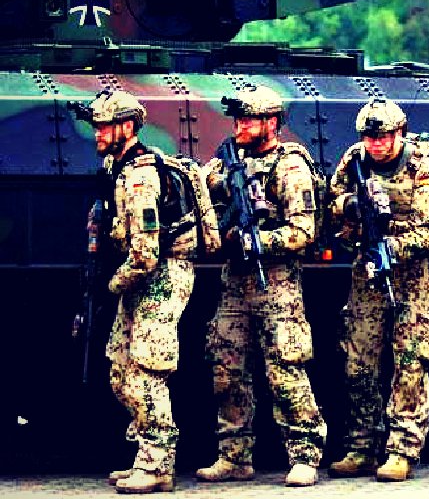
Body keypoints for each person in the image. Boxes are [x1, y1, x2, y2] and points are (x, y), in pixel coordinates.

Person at [196, 86, 326, 487]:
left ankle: (305, 454)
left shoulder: (290, 167)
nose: (240, 127)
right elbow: (203, 193)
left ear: (271, 122)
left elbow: (304, 230)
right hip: (235, 282)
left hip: (276, 282)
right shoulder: (227, 162)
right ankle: (234, 455)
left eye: (249, 120)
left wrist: (259, 241)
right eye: (237, 120)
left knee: (285, 370)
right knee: (227, 368)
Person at [327, 99, 429, 483]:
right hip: (368, 273)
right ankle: (362, 447)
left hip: (413, 275)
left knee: (410, 362)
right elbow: (332, 201)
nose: (376, 144)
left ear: (399, 133)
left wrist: (390, 247)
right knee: (358, 359)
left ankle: (401, 450)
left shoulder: (421, 167)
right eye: (370, 137)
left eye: (383, 137)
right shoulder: (354, 160)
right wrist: (352, 206)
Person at [84, 90, 195, 494]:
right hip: (138, 279)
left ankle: (157, 465)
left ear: (127, 127)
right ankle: (145, 454)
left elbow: (146, 254)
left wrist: (110, 284)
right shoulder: (117, 168)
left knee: (147, 372)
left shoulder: (141, 177)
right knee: (121, 370)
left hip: (160, 276)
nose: (98, 134)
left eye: (104, 127)